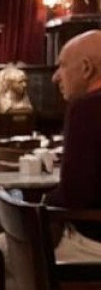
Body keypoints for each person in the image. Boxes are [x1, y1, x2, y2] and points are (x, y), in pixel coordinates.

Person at [44, 29, 101, 260]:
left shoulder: (87, 108)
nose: (55, 77)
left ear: (87, 68)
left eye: (62, 65)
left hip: (93, 246)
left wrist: (44, 201)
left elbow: (75, 195)